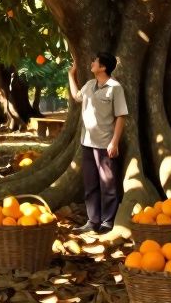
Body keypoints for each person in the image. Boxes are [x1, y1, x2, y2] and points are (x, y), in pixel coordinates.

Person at [68, 51, 128, 234]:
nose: (92, 63)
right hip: (87, 142)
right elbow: (76, 96)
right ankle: (92, 220)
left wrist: (114, 142)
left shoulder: (115, 88)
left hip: (105, 143)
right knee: (90, 183)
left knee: (108, 184)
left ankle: (107, 221)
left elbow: (121, 116)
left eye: (95, 61)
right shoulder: (89, 85)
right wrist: (71, 75)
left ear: (103, 67)